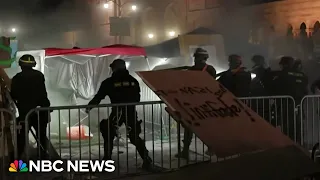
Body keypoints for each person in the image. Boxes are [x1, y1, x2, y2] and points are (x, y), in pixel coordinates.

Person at [86, 59, 152, 170]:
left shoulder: (110, 82)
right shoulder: (133, 81)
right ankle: (147, 159)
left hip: (118, 112)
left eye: (112, 68)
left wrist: (89, 107)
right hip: (131, 111)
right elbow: (137, 98)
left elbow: (99, 96)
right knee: (134, 137)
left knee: (108, 132)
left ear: (114, 68)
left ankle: (107, 160)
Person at [175, 48, 216, 160]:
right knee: (189, 128)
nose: (195, 60)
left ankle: (211, 147)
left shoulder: (209, 69)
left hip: (205, 102)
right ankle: (185, 150)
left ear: (203, 58)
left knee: (205, 127)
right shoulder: (192, 69)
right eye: (195, 57)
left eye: (197, 57)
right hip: (193, 102)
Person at [11, 54, 51, 159]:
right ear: (33, 64)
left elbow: (14, 95)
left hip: (25, 113)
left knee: (22, 138)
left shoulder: (17, 78)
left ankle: (18, 162)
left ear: (20, 65)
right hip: (41, 112)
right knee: (41, 136)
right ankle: (43, 160)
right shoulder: (39, 75)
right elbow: (42, 93)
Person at [270, 56, 308, 141]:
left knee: (287, 129)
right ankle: (299, 145)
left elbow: (273, 89)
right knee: (298, 127)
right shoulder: (302, 75)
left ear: (283, 65)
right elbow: (305, 90)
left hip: (285, 106)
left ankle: (289, 146)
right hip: (299, 105)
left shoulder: (281, 75)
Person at [250, 55, 272, 121]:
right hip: (263, 95)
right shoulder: (264, 70)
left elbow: (253, 81)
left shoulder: (258, 70)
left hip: (258, 94)